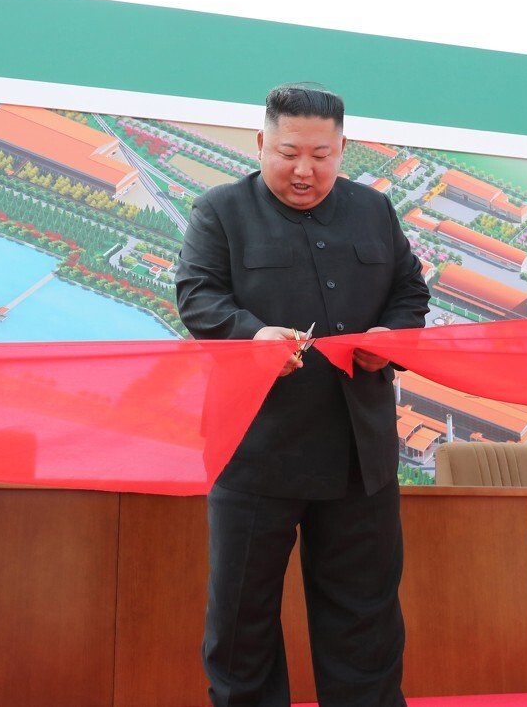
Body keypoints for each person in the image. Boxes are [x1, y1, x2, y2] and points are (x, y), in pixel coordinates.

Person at [176, 84, 430, 707]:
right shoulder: (220, 211)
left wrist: (390, 338)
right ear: (262, 142)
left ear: (343, 149)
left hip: (358, 455)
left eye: (322, 154)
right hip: (257, 450)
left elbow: (409, 293)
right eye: (289, 153)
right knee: (243, 619)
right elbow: (197, 297)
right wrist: (252, 334)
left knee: (365, 617)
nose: (304, 170)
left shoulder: (373, 211)